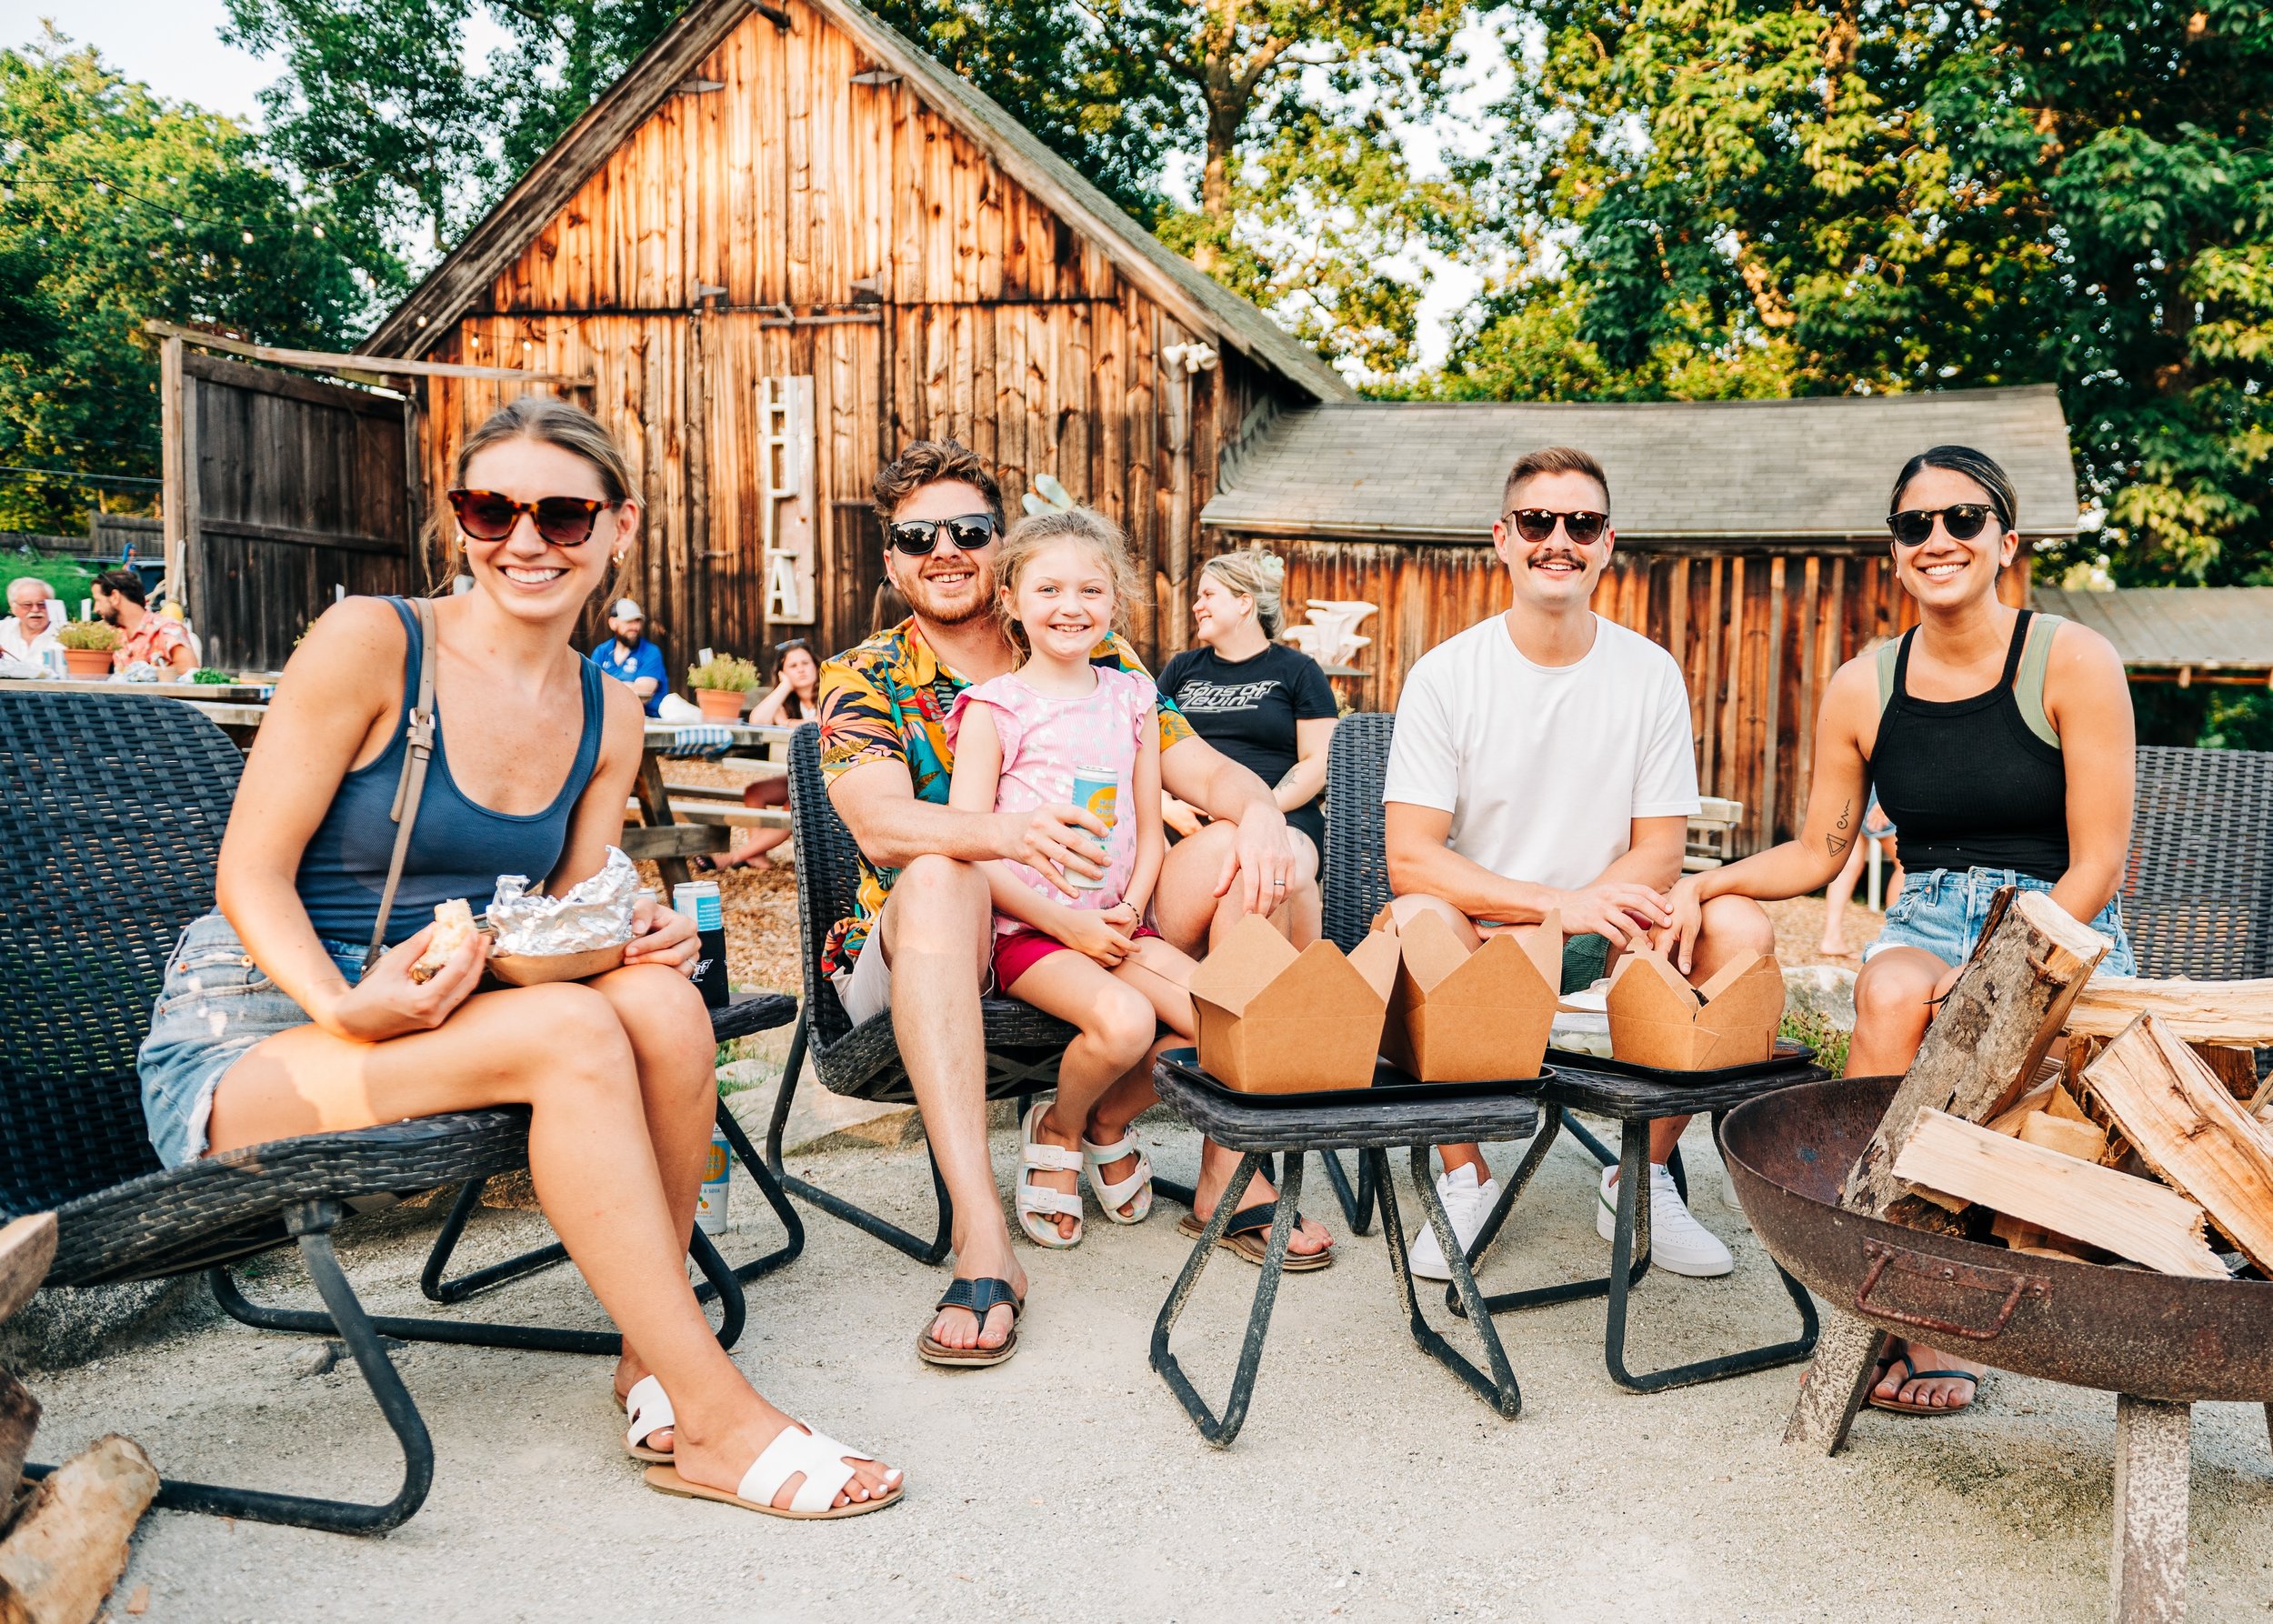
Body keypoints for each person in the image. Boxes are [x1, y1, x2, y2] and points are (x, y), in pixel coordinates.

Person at [135, 397, 899, 1519]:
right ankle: (720, 1421)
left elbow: (556, 921)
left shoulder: (608, 710)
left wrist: (633, 931)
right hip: (261, 1030)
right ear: (459, 521)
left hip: (445, 1006)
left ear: (619, 525)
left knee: (659, 1001)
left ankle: (651, 1357)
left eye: (561, 512)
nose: (525, 541)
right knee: (580, 1028)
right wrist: (348, 1004)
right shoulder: (376, 643)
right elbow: (247, 877)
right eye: (490, 509)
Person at [819, 441, 1332, 1368]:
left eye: (968, 529)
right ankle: (983, 1239)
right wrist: (1012, 845)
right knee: (941, 866)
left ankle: (1224, 1168)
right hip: (936, 941)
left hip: (1102, 918)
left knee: (1254, 852)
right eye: (916, 534)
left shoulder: (1101, 660)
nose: (944, 547)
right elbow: (885, 829)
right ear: (891, 559)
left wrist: (1259, 812)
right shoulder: (866, 675)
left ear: (999, 551)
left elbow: (1195, 771)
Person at [1659, 443, 2136, 1416]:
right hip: (1927, 912)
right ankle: (1889, 1310)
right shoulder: (1864, 686)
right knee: (1887, 990)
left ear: (2005, 540)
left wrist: (2006, 970)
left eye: (1962, 518)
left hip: (2058, 919)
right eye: (1914, 524)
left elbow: (2098, 863)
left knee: (1971, 1019)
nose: (1938, 538)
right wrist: (1697, 890)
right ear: (1895, 551)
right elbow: (1816, 852)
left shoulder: (2071, 658)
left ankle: (1915, 1298)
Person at [1383, 445, 1776, 1283]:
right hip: (1487, 936)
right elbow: (1411, 859)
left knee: (1740, 925)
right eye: (1537, 521)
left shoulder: (1648, 673)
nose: (1557, 538)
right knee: (1415, 923)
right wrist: (1556, 905)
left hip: (1615, 928)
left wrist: (1594, 909)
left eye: (1581, 523)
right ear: (1502, 538)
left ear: (1606, 543)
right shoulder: (1446, 675)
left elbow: (1663, 847)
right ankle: (1465, 1177)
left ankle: (1642, 1175)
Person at [946, 508, 1206, 1248]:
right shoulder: (997, 709)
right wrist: (1069, 925)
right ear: (1014, 601)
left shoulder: (1132, 699)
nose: (1071, 607)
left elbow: (1150, 829)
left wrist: (1128, 906)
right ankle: (1057, 1128)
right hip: (1030, 930)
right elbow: (972, 846)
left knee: (1225, 1028)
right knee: (1124, 1023)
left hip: (1122, 923)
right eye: (1050, 589)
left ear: (1114, 602)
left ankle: (1106, 1119)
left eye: (1091, 591)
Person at [1157, 549, 1335, 946]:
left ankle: (1303, 985)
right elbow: (1143, 746)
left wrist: (1256, 809)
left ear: (1244, 602)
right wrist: (1166, 806)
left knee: (1286, 870)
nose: (1196, 605)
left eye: (1208, 595)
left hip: (1282, 814)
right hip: (1185, 815)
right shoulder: (1181, 669)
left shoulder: (1297, 670)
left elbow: (1318, 760)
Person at [703, 640, 820, 870]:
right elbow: (758, 720)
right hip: (802, 774)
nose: (801, 669)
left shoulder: (829, 693)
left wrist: (787, 722)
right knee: (755, 792)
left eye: (806, 663)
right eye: (793, 666)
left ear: (816, 666)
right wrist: (784, 687)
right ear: (783, 673)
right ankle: (757, 855)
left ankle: (733, 857)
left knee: (794, 803)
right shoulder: (785, 701)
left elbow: (824, 723)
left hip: (829, 777)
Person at [1817, 789, 1901, 957]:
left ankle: (1832, 938)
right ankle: (1896, 939)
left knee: (1850, 862)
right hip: (1879, 792)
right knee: (1905, 864)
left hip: (1854, 786)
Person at [91, 568, 195, 675]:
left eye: (98, 600)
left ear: (115, 597)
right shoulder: (114, 635)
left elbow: (189, 668)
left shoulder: (167, 628)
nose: (96, 609)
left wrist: (147, 675)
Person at [589, 596, 666, 716]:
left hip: (646, 722)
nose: (635, 627)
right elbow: (590, 690)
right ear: (613, 623)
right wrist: (629, 686)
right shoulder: (601, 652)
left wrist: (604, 687)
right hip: (608, 720)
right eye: (629, 621)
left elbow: (642, 694)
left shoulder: (651, 652)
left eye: (637, 621)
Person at [1, 577, 63, 664]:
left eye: (42, 604)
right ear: (13, 607)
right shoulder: (2, 630)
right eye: (27, 605)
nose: (35, 610)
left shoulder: (68, 634)